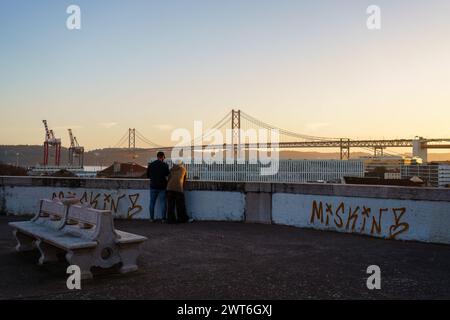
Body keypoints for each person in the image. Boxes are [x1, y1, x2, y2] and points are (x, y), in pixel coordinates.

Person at [147, 151, 170, 222]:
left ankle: (151, 218)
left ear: (157, 157)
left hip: (153, 186)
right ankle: (163, 219)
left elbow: (148, 175)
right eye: (164, 157)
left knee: (152, 202)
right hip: (162, 186)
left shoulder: (151, 165)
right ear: (162, 157)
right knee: (163, 202)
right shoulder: (165, 165)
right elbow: (167, 175)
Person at [166, 159, 190, 224]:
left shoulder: (171, 169)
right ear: (180, 164)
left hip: (169, 189)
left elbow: (168, 179)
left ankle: (170, 220)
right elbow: (185, 179)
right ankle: (181, 219)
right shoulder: (183, 169)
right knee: (180, 205)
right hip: (179, 189)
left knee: (170, 205)